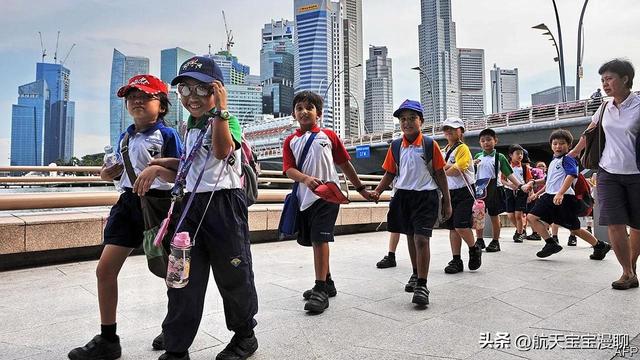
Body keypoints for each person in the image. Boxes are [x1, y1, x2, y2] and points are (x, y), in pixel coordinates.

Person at [68, 75, 182, 360]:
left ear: (162, 106)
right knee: (105, 269)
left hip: (158, 206)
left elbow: (181, 174)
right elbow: (115, 170)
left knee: (170, 273)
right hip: (127, 205)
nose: (137, 101)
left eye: (145, 96)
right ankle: (108, 338)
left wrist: (157, 170)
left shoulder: (167, 135)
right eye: (132, 97)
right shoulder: (125, 136)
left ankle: (175, 327)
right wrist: (108, 174)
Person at [160, 56, 259, 360]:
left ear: (216, 90)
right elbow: (191, 167)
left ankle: (245, 336)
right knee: (181, 276)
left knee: (233, 274)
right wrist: (161, 165)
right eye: (185, 90)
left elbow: (221, 151)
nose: (192, 97)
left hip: (224, 205)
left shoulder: (227, 120)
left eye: (201, 90)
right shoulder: (188, 126)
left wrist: (220, 111)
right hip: (190, 205)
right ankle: (176, 346)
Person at [282, 90, 375, 314]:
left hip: (328, 196)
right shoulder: (290, 141)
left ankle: (320, 289)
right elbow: (288, 170)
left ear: (319, 113)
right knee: (314, 241)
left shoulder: (329, 136)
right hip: (304, 198)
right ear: (294, 114)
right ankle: (328, 281)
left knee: (319, 239)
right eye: (299, 108)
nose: (304, 111)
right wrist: (304, 178)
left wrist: (360, 188)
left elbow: (345, 164)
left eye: (309, 108)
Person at [372, 100, 452, 306]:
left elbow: (440, 173)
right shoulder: (396, 145)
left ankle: (422, 285)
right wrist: (378, 190)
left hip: (426, 196)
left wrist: (447, 202)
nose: (406, 123)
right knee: (410, 236)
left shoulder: (429, 144)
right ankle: (416, 273)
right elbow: (390, 172)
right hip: (403, 196)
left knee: (422, 239)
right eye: (403, 119)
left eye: (411, 118)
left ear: (421, 121)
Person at [569, 59, 640, 290]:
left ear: (625, 79)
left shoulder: (638, 105)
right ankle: (626, 272)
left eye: (609, 78)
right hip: (608, 172)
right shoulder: (604, 107)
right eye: (602, 80)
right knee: (614, 223)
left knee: (637, 225)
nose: (605, 84)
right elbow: (589, 133)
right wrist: (573, 153)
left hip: (637, 173)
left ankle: (632, 266)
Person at [528, 129, 611, 261]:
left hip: (564, 198)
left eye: (562, 143)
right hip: (549, 197)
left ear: (569, 146)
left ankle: (600, 245)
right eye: (555, 143)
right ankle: (551, 244)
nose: (558, 146)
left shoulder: (568, 159)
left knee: (575, 229)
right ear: (551, 145)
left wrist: (560, 193)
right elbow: (548, 180)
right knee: (531, 217)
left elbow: (571, 175)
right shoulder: (554, 160)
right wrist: (534, 187)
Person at [473, 129, 529, 252]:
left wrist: (519, 186)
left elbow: (508, 173)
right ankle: (479, 240)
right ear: (479, 143)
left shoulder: (500, 157)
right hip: (480, 189)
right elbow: (472, 173)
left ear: (495, 141)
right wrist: (472, 164)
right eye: (483, 141)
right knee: (479, 216)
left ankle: (495, 241)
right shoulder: (478, 156)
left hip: (495, 189)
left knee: (494, 216)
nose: (486, 143)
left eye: (489, 140)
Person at [439, 117, 482, 274]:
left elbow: (458, 169)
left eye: (452, 128)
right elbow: (439, 168)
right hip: (449, 192)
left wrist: (444, 169)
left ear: (460, 131)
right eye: (446, 129)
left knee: (460, 225)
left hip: (464, 191)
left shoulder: (462, 148)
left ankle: (474, 249)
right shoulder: (444, 150)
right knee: (452, 228)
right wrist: (446, 168)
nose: (448, 131)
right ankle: (456, 259)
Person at [502, 144, 532, 243]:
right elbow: (502, 180)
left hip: (521, 192)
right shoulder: (506, 166)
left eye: (521, 154)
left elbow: (529, 181)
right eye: (517, 154)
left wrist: (530, 193)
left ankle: (519, 233)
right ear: (511, 155)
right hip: (509, 191)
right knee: (510, 215)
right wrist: (510, 185)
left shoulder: (525, 167)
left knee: (518, 215)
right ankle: (522, 230)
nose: (520, 156)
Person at [525, 161, 547, 241]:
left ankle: (545, 233)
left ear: (546, 168)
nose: (540, 168)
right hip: (534, 197)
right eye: (539, 166)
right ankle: (536, 233)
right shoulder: (533, 177)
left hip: (545, 197)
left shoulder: (547, 176)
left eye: (542, 166)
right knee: (530, 215)